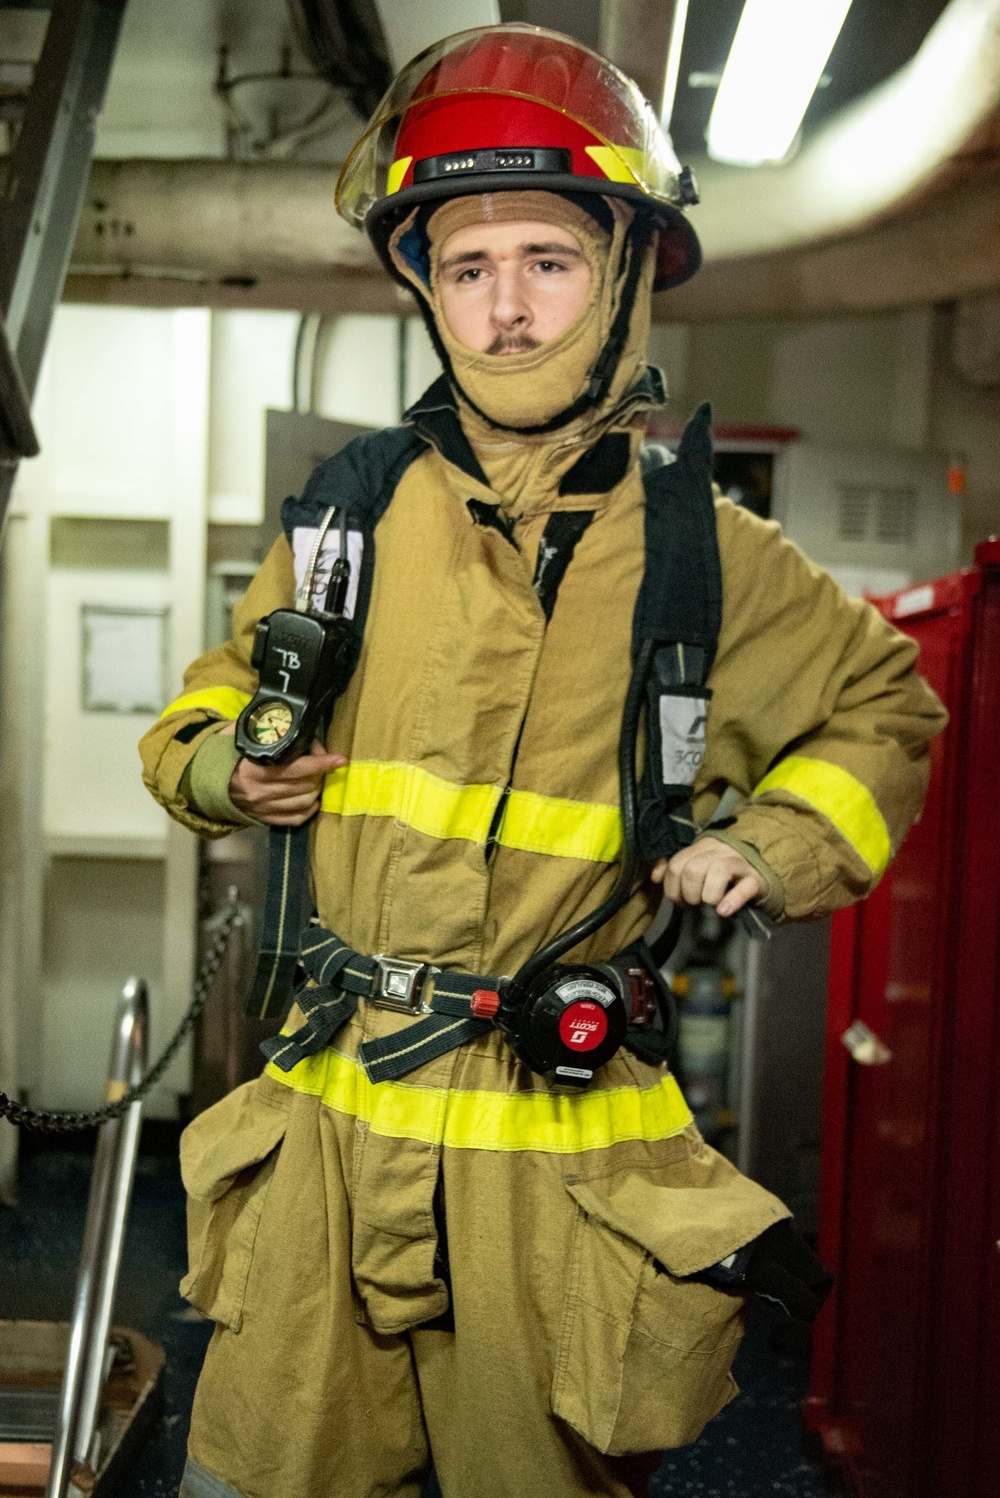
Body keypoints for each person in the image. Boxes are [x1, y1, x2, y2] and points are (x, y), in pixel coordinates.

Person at [139, 24, 946, 1498]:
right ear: (426, 288)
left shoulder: (709, 552)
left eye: (549, 260)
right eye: (466, 265)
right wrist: (219, 770)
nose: (506, 312)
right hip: (326, 1134)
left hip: (554, 1173)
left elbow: (886, 711)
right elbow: (213, 699)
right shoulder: (346, 516)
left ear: (628, 269)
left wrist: (768, 845)